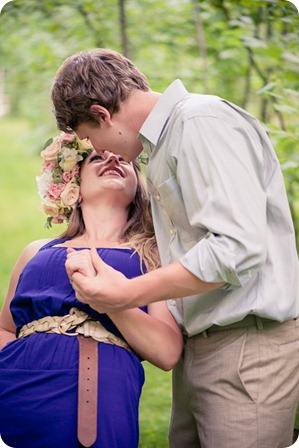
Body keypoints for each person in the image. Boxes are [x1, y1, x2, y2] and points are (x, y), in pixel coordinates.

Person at [50, 48, 299, 448]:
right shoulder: (164, 144)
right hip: (204, 345)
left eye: (88, 136)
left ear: (102, 114)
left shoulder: (200, 122)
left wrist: (126, 293)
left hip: (246, 346)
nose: (100, 149)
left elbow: (236, 247)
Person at [0, 132, 183, 448]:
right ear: (74, 188)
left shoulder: (155, 257)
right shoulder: (37, 250)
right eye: (98, 157)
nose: (112, 159)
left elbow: (167, 352)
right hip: (15, 385)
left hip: (99, 390)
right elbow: (5, 328)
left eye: (123, 160)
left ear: (138, 189)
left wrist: (109, 300)